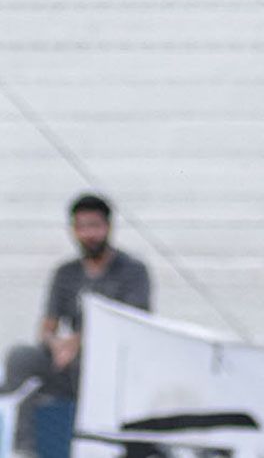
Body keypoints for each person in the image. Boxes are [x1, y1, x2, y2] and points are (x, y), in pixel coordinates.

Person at [0, 193, 152, 453]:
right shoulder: (65, 272)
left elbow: (131, 323)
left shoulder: (133, 270)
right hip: (70, 365)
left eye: (94, 226)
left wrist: (78, 342)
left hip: (114, 364)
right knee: (21, 357)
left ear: (108, 227)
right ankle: (22, 447)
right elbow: (48, 326)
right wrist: (56, 344)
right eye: (81, 227)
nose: (88, 234)